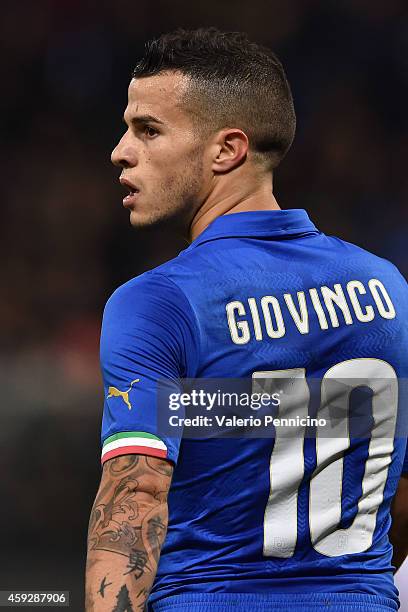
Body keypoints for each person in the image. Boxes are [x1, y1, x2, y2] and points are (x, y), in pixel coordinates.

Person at [85, 27, 408, 612]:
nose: (120, 150)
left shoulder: (157, 302)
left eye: (147, 129)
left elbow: (135, 496)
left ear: (226, 150)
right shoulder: (387, 288)